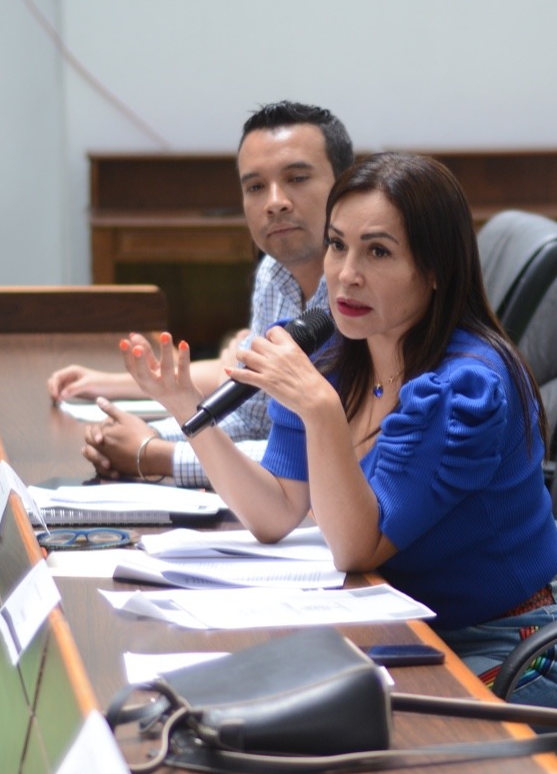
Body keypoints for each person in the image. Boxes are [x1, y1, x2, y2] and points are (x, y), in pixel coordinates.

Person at [115, 152, 557, 713]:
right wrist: (188, 408)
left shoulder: (462, 389)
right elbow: (276, 511)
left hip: (529, 644)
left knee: (357, 737)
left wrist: (320, 411)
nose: (345, 274)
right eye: (337, 245)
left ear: (435, 269)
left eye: (377, 252)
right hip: (418, 632)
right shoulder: (333, 353)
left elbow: (358, 547)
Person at [46, 101, 354, 486]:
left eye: (297, 178)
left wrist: (159, 455)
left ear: (346, 187)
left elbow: (328, 454)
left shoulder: (361, 290)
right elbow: (254, 419)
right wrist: (144, 437)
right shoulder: (273, 274)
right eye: (255, 187)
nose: (275, 202)